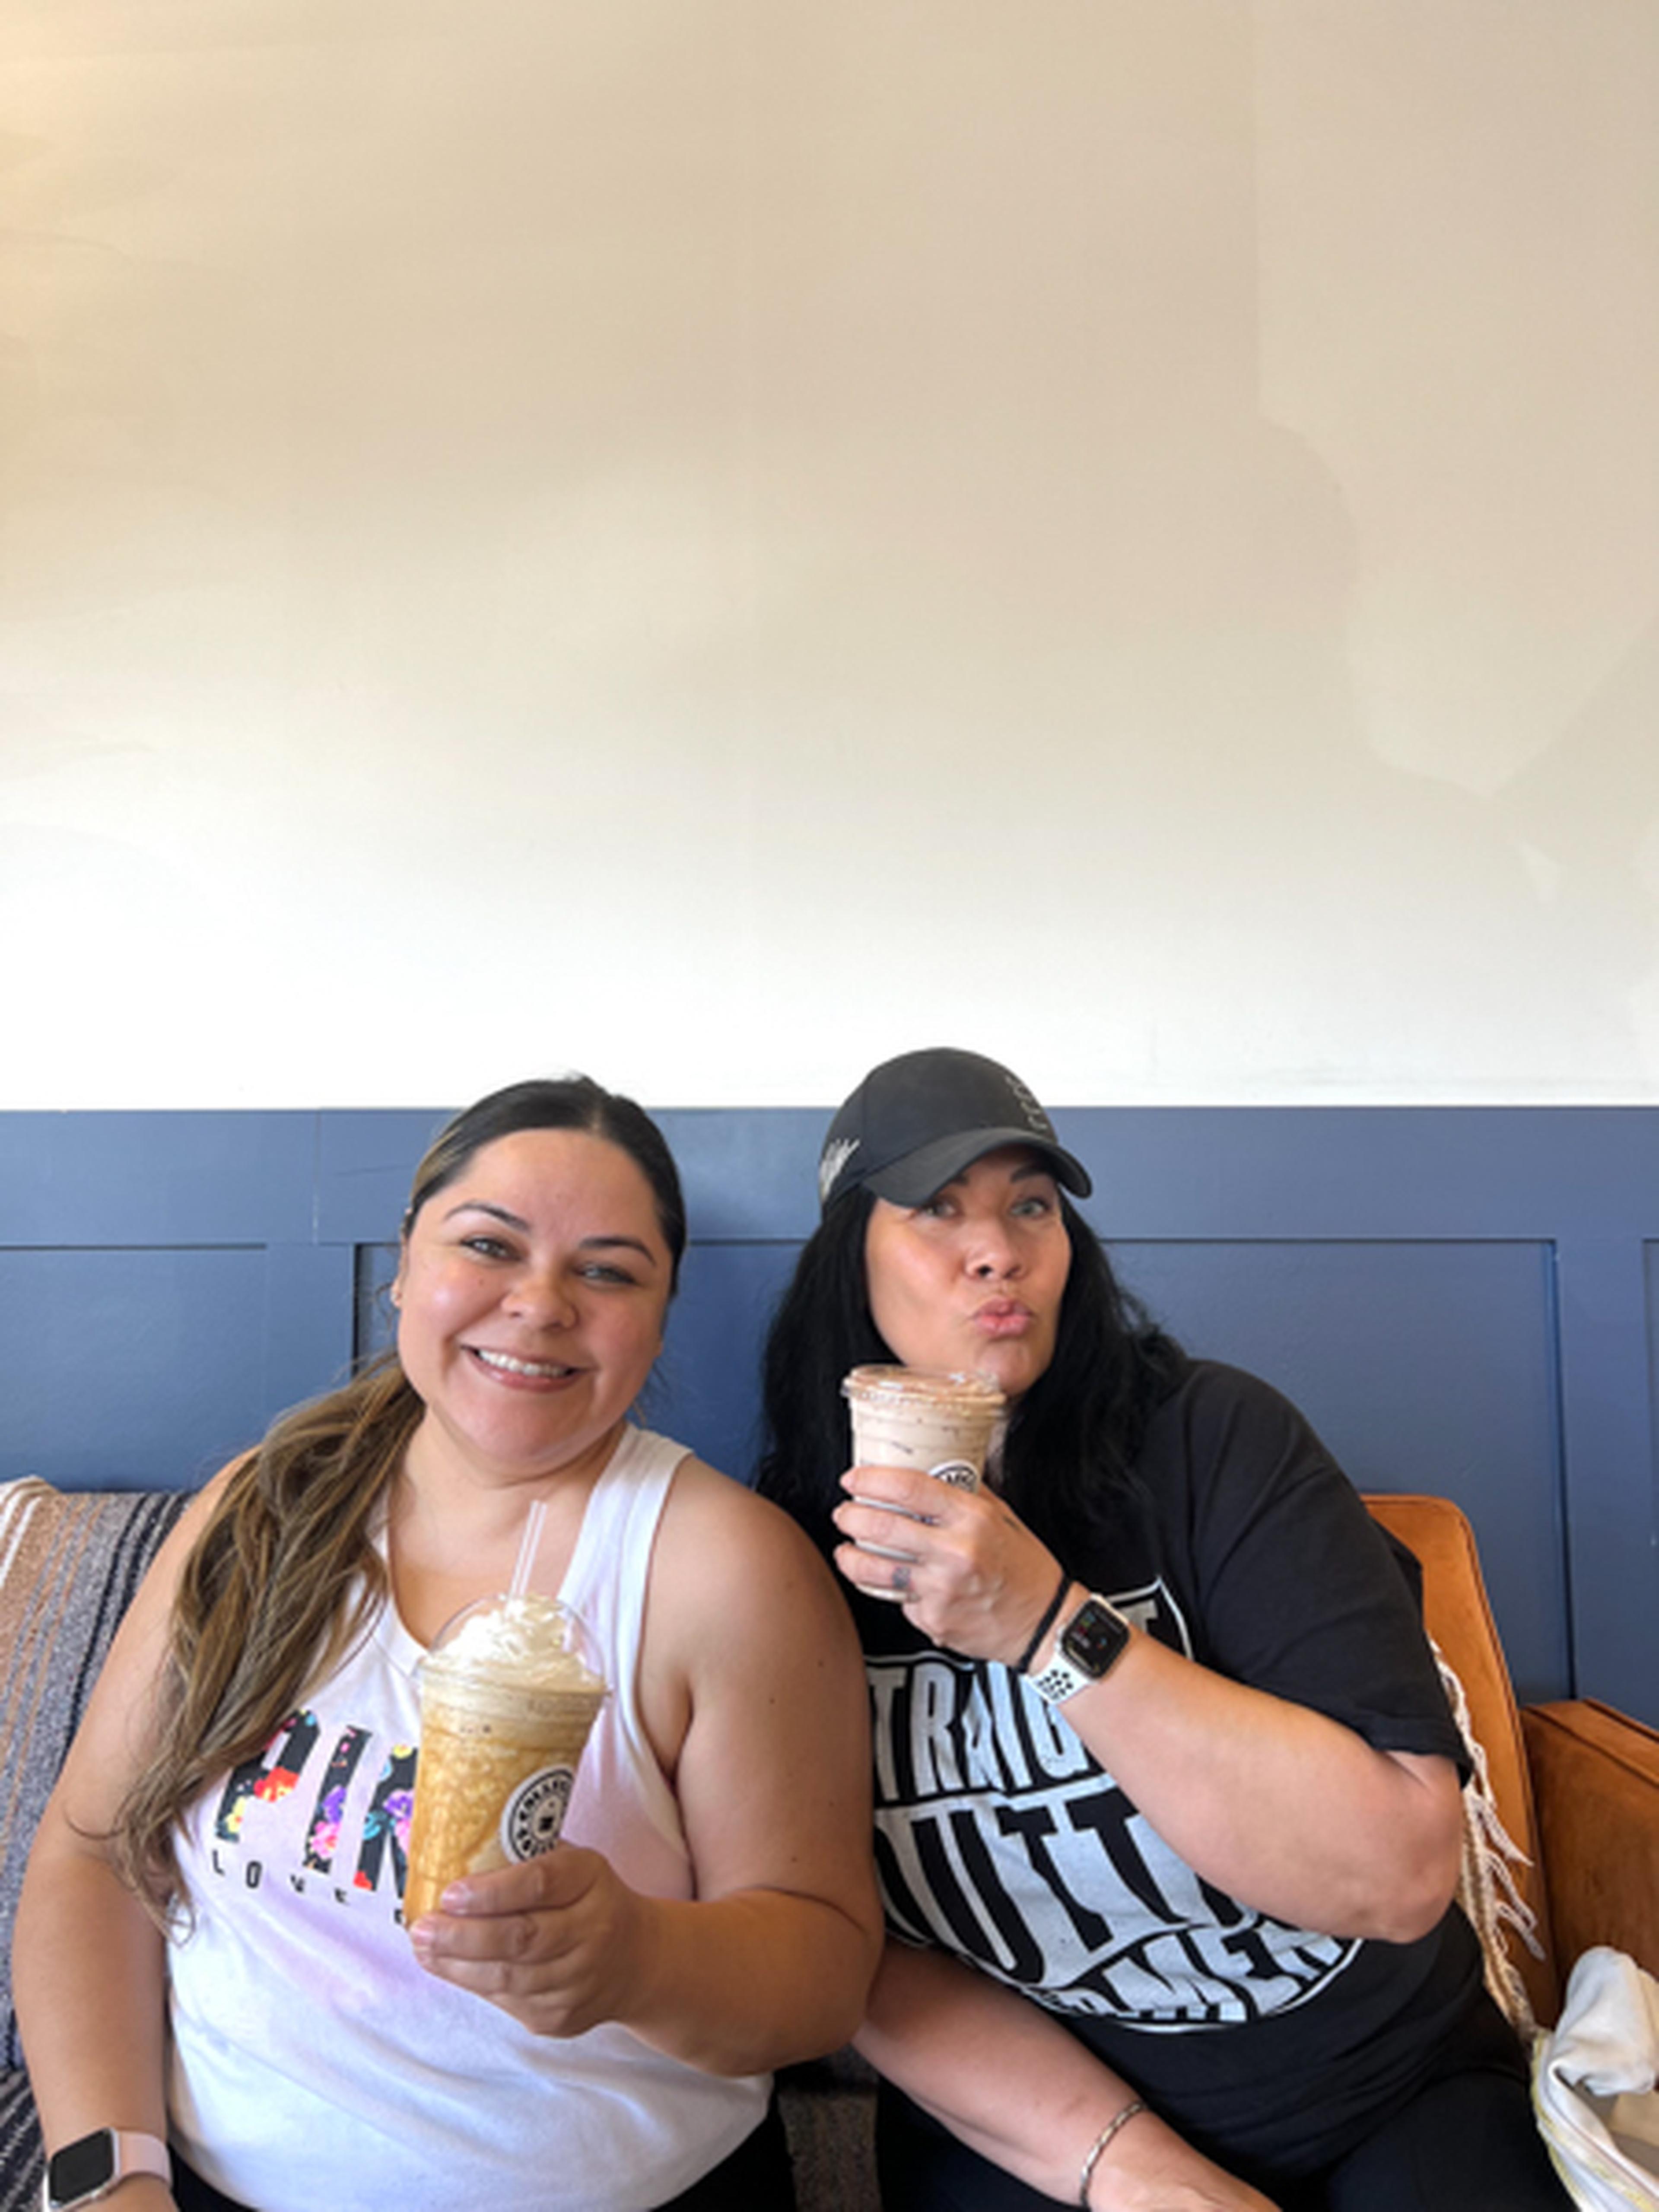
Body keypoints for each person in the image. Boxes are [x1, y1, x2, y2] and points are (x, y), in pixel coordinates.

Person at [17, 1077, 882, 2212]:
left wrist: (638, 1958)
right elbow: (89, 1859)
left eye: (608, 1271)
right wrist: (109, 2181)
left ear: (660, 1318)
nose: (540, 1303)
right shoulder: (264, 1509)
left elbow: (824, 1969)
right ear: (403, 1270)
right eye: (489, 1246)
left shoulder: (721, 1568)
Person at [758, 1047, 1571, 2212]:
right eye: (941, 1210)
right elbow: (853, 1950)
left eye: (1030, 1205)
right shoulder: (788, 1548)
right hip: (1048, 2122)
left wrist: (1046, 1626)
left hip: (1386, 2086)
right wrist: (1145, 2179)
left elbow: (1396, 1873)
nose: (1000, 1249)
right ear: (853, 1256)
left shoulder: (1215, 1442)